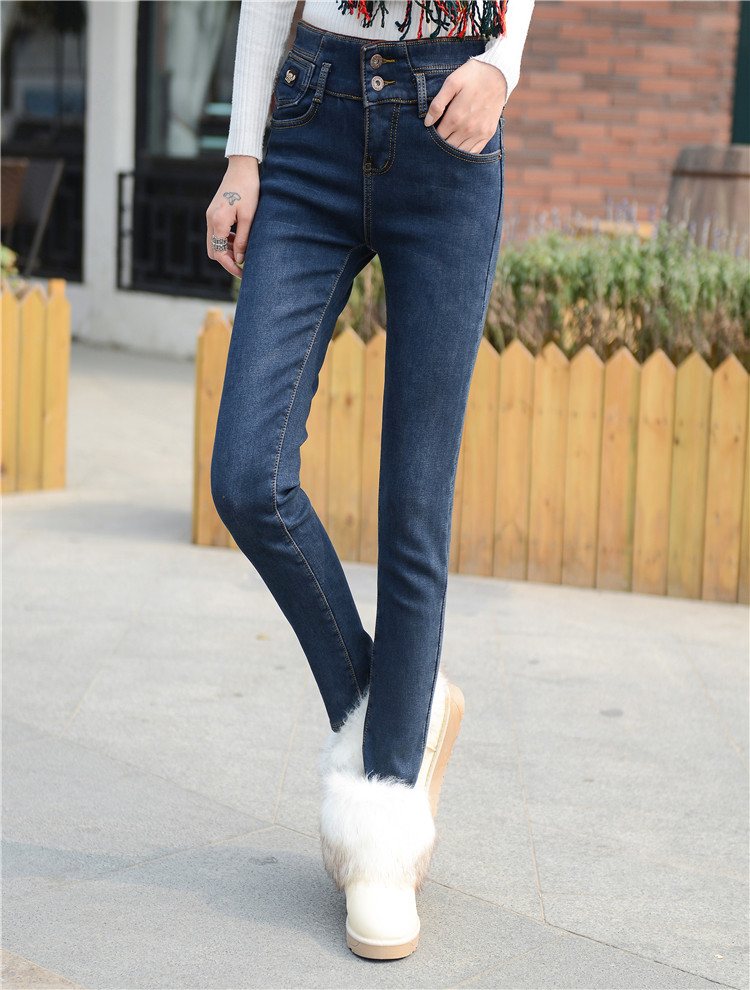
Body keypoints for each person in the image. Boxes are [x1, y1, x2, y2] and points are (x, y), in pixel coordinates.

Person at [206, 0, 534, 960]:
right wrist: (242, 155)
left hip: (448, 118)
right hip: (311, 115)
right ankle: (403, 710)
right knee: (246, 476)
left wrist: (503, 65)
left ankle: (387, 829)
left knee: (414, 504)